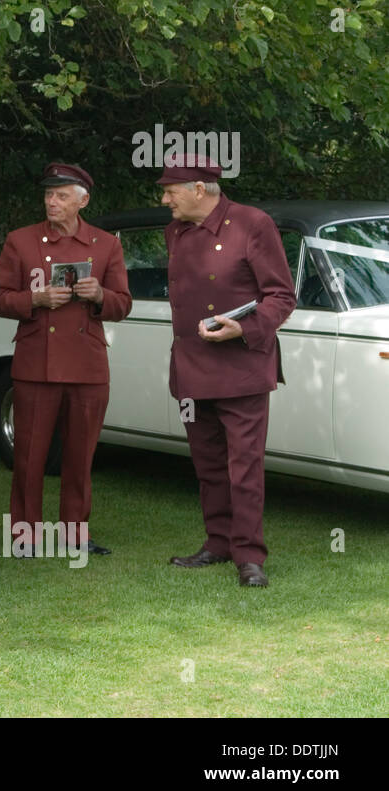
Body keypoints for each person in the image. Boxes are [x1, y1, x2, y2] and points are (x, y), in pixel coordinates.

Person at [159, 155, 296, 587]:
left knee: (245, 466)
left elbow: (281, 295)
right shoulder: (175, 232)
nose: (165, 200)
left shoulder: (253, 224)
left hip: (241, 369)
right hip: (191, 369)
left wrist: (244, 327)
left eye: (171, 191)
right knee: (208, 464)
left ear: (200, 190)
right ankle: (217, 543)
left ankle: (249, 556)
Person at [0, 163, 132, 557]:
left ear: (83, 200)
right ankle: (24, 536)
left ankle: (75, 535)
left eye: (61, 195)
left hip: (87, 366)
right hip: (37, 363)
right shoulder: (21, 241)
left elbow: (123, 304)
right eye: (48, 195)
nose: (52, 202)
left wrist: (100, 294)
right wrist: (33, 300)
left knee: (79, 456)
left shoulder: (106, 244)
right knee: (29, 455)